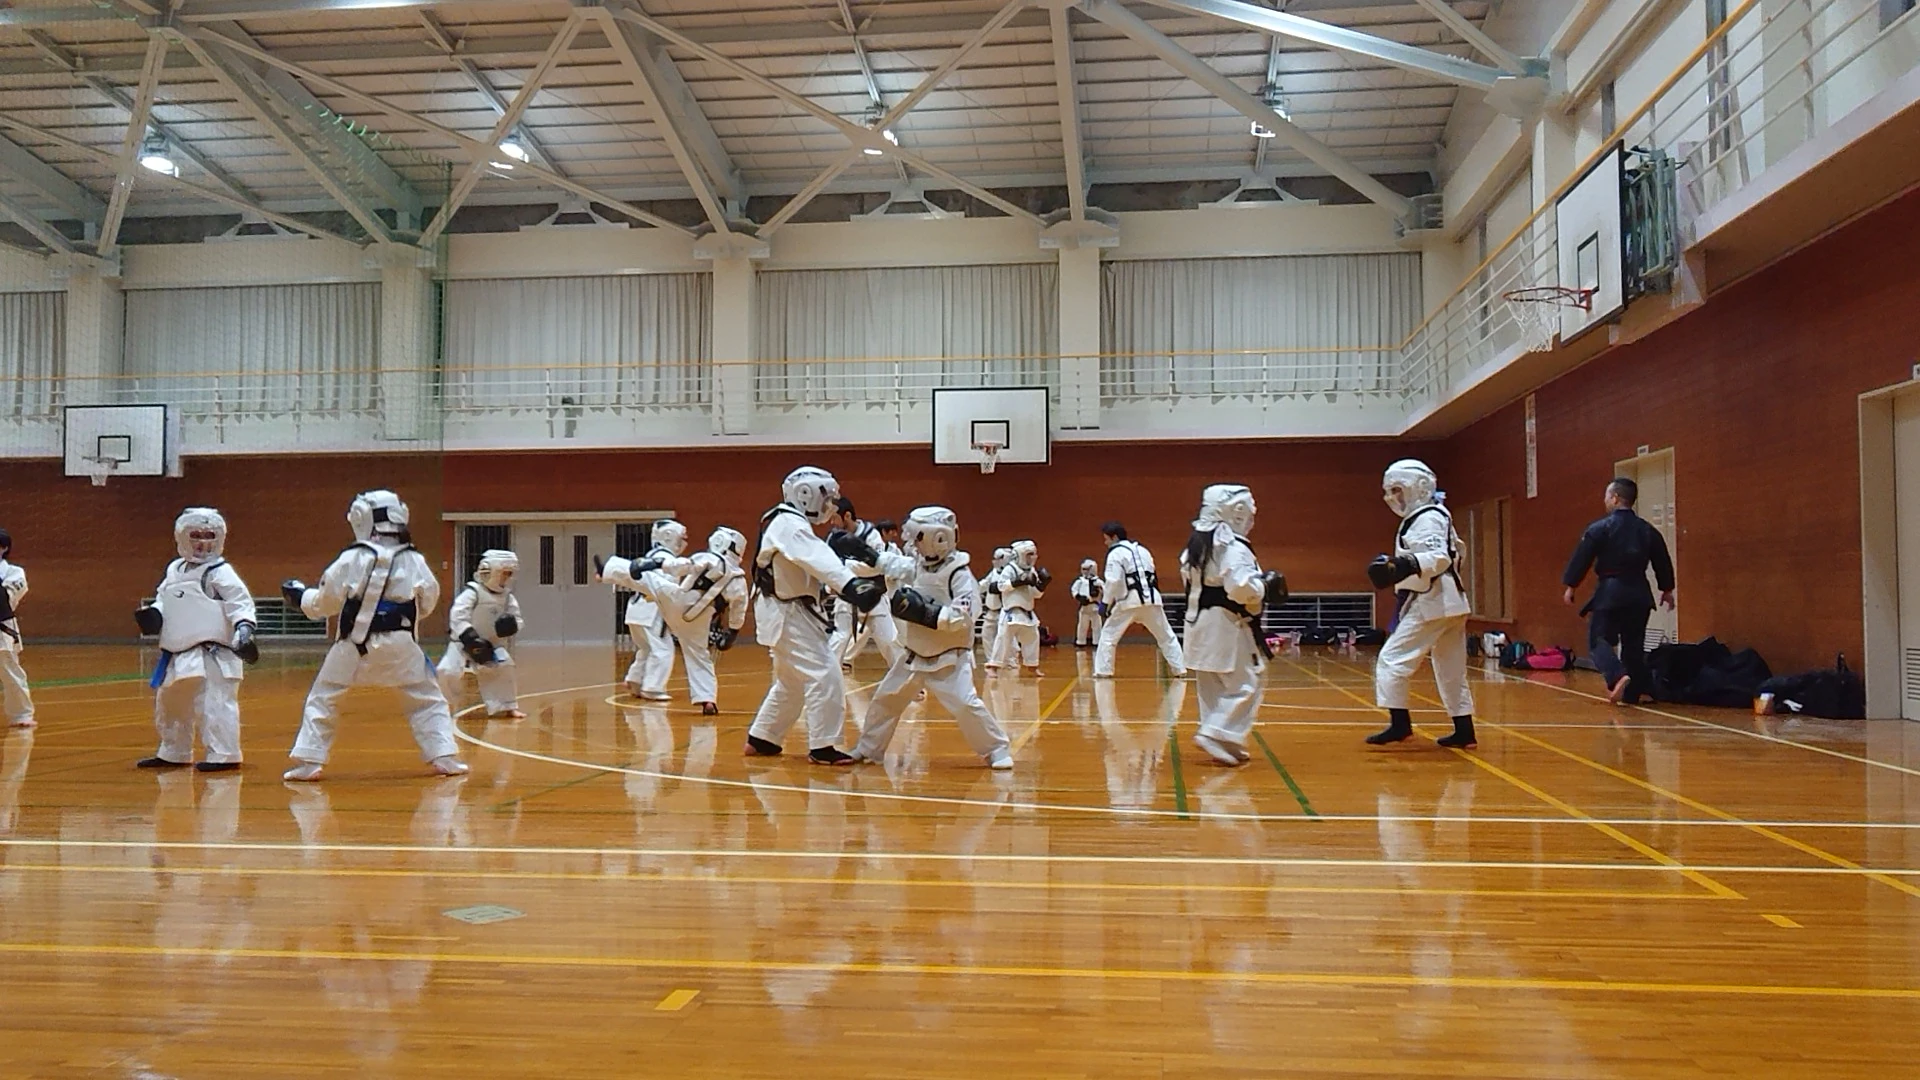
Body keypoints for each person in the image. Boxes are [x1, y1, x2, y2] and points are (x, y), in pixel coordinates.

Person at [281, 490, 469, 782]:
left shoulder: (352, 558)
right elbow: (428, 601)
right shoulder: (415, 559)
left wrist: (301, 597)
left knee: (324, 697)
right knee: (427, 698)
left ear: (360, 518)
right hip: (402, 644)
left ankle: (310, 761)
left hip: (354, 644)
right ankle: (444, 755)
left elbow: (325, 603)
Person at [744, 466, 892, 766]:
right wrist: (851, 585)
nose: (830, 507)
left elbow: (810, 566)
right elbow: (817, 560)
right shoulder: (789, 524)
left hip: (789, 611)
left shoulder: (787, 523)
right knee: (825, 674)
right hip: (789, 613)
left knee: (792, 681)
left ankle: (763, 738)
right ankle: (824, 746)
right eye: (826, 499)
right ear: (806, 495)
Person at [851, 506, 1013, 770]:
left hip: (949, 658)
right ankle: (869, 748)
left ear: (937, 537)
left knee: (965, 704)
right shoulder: (920, 565)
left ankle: (996, 748)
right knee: (886, 699)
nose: (913, 545)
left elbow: (967, 613)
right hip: (914, 654)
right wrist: (867, 554)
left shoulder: (959, 574)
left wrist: (929, 614)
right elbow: (897, 565)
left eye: (917, 538)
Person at [133, 508, 258, 770]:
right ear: (182, 537)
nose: (203, 542)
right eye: (196, 535)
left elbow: (240, 602)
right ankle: (174, 751)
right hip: (178, 652)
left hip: (213, 653)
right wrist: (154, 613)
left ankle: (224, 754)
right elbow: (164, 597)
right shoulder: (175, 569)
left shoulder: (219, 572)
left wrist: (244, 629)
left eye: (209, 535)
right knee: (171, 703)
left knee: (215, 705)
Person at [1364, 460, 1477, 750]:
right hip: (1450, 602)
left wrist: (1404, 564)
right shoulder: (1435, 514)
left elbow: (1439, 557)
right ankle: (1464, 730)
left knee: (1391, 660)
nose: (1394, 498)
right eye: (1389, 492)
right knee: (1450, 669)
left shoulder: (1428, 517)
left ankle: (1399, 724)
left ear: (1420, 488)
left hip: (1432, 601)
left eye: (1398, 490)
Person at [1179, 485, 1288, 766]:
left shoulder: (1197, 544)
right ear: (1236, 512)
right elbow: (1239, 587)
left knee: (1212, 683)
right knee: (1248, 681)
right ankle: (1217, 732)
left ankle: (1224, 739)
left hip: (1198, 624)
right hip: (1227, 624)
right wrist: (1263, 587)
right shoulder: (1232, 547)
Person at [1562, 476, 1676, 705]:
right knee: (1633, 645)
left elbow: (1582, 557)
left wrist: (1571, 585)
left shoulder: (1599, 529)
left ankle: (1616, 676)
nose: (1605, 500)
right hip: (1640, 595)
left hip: (1610, 593)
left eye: (1606, 496)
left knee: (1598, 639)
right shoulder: (1648, 530)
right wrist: (1666, 589)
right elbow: (1662, 560)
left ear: (1615, 498)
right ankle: (1631, 695)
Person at [631, 526, 751, 715]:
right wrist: (732, 632)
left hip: (680, 599)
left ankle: (608, 570)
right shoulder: (739, 580)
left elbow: (685, 565)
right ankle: (707, 698)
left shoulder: (710, 558)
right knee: (699, 655)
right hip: (701, 615)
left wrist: (655, 564)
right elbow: (739, 609)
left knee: (650, 582)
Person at [436, 548, 524, 719]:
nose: (506, 578)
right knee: (446, 671)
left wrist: (512, 626)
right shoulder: (473, 592)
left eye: (509, 574)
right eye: (504, 573)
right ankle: (444, 705)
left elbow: (518, 619)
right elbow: (457, 615)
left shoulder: (507, 597)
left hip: (492, 644)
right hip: (462, 643)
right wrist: (469, 636)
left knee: (506, 667)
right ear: (490, 572)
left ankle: (507, 706)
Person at [1092, 522, 1186, 679]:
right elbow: (1153, 577)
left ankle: (1103, 671)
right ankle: (1180, 669)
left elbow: (1113, 580)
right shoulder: (1143, 550)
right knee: (1166, 636)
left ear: (1114, 537)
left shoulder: (1115, 553)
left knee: (1108, 635)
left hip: (1128, 602)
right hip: (1152, 600)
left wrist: (1105, 603)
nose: (1105, 543)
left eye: (1106, 539)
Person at [825, 497, 901, 669]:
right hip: (846, 597)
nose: (832, 522)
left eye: (834, 517)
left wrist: (846, 565)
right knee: (839, 638)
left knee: (889, 641)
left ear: (847, 516)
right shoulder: (833, 538)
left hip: (874, 596)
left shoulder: (871, 534)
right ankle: (824, 680)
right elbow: (828, 566)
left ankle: (907, 683)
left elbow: (877, 566)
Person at [615, 520, 687, 701]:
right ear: (669, 537)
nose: (683, 543)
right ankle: (653, 688)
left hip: (635, 611)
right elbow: (667, 591)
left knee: (646, 648)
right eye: (681, 538)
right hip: (652, 612)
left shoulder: (649, 556)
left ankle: (635, 680)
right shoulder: (667, 560)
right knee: (663, 650)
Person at [988, 539, 1048, 676]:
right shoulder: (1010, 569)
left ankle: (1032, 666)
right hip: (1011, 611)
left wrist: (1042, 585)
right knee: (1003, 639)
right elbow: (1000, 586)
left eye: (1034, 554)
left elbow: (1036, 594)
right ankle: (993, 666)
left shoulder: (1032, 570)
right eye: (1029, 554)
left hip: (1027, 612)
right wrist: (1019, 581)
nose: (1032, 558)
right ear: (1020, 555)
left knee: (1032, 637)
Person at [0, 529, 31, 729]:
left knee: (9, 671)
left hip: (2, 628)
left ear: (4, 548)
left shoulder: (14, 573)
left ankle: (22, 714)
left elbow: (4, 601)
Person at [978, 547, 1012, 657]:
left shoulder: (1009, 575)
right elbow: (985, 584)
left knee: (1007, 638)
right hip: (990, 611)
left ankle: (1010, 660)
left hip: (1004, 612)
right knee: (986, 635)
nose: (995, 561)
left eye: (998, 559)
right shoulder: (994, 572)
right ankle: (991, 660)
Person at [1070, 558, 1105, 647]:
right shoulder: (1080, 581)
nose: (1085, 572)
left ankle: (1097, 642)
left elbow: (1105, 591)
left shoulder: (1098, 582)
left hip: (1095, 606)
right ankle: (1080, 641)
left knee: (1097, 626)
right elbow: (1074, 590)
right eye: (1084, 569)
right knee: (1082, 626)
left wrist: (1100, 593)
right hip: (1084, 607)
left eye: (1087, 569)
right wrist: (1078, 597)